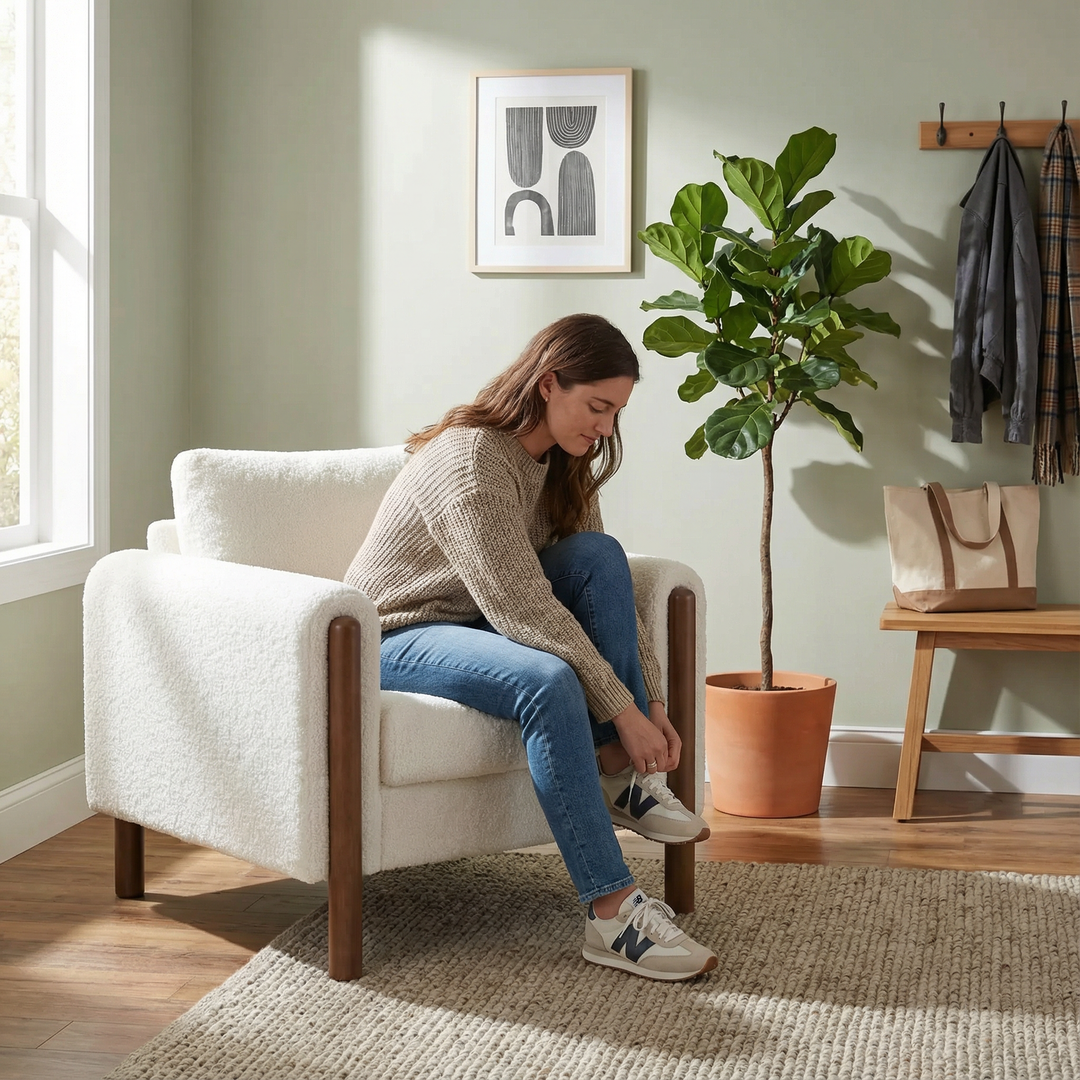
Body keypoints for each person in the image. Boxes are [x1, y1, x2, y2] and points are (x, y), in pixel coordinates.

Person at [344, 313, 717, 981]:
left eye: (616, 412)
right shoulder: (470, 461)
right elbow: (522, 606)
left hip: (474, 622)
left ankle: (618, 771)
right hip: (397, 633)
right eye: (597, 406)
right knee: (544, 681)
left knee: (600, 556)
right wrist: (624, 711)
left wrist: (649, 701)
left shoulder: (564, 464)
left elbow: (605, 589)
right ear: (549, 384)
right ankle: (611, 914)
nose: (605, 427)